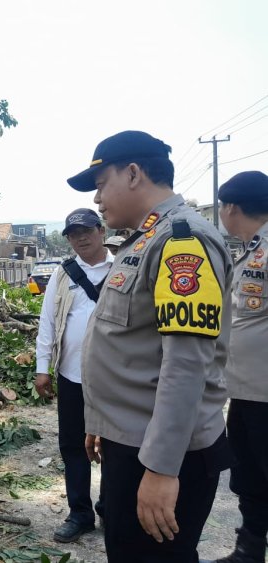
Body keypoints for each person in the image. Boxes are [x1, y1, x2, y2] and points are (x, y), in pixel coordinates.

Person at [66, 130, 233, 563]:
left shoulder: (183, 241)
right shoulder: (145, 239)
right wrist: (101, 419)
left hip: (163, 451)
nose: (99, 199)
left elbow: (186, 364)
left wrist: (162, 469)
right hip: (133, 440)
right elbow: (134, 347)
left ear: (134, 173)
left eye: (102, 184)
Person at [34, 208, 112, 543]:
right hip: (71, 375)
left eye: (86, 231)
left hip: (114, 378)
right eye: (72, 234)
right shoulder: (62, 274)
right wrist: (42, 368)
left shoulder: (124, 267)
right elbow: (47, 322)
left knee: (116, 445)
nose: (80, 238)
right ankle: (80, 513)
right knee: (72, 446)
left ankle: (111, 508)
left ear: (101, 231)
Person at [203, 171, 268, 563]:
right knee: (248, 476)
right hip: (244, 392)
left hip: (265, 393)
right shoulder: (248, 250)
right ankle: (249, 549)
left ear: (230, 207)